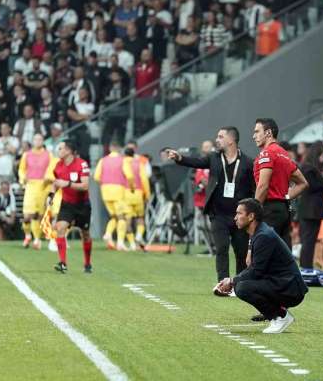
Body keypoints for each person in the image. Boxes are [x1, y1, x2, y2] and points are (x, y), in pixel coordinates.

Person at [168, 127, 255, 283]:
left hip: (240, 216)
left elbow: (253, 188)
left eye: (221, 136)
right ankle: (223, 282)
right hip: (218, 214)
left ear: (231, 140)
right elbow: (196, 162)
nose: (217, 139)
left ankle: (241, 284)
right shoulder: (214, 158)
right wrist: (179, 158)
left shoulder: (248, 163)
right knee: (221, 249)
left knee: (241, 251)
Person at [216, 198, 308, 334]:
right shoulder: (259, 232)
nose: (235, 218)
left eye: (239, 213)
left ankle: (280, 316)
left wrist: (232, 281)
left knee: (242, 288)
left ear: (251, 216)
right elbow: (256, 270)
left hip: (291, 288)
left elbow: (256, 271)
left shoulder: (264, 236)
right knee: (242, 284)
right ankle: (277, 314)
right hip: (282, 283)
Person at [252, 118, 308, 247]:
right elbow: (303, 183)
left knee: (262, 253)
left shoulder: (267, 153)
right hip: (283, 210)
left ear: (268, 133)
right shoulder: (284, 154)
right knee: (282, 254)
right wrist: (285, 197)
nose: (254, 136)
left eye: (257, 131)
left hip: (268, 209)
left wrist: (253, 210)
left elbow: (262, 186)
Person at [47, 140, 92, 274]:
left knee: (85, 234)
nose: (58, 151)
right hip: (67, 204)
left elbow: (85, 186)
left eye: (60, 148)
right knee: (60, 228)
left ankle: (88, 263)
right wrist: (50, 197)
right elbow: (55, 183)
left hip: (82, 205)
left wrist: (66, 184)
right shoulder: (58, 166)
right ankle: (63, 263)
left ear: (68, 151)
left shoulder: (82, 164)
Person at [18, 133, 57, 250]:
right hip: (30, 185)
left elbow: (52, 169)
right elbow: (21, 169)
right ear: (33, 141)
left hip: (43, 186)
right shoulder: (26, 155)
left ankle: (36, 239)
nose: (37, 141)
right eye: (35, 139)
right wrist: (23, 178)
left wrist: (49, 179)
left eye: (40, 139)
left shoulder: (48, 155)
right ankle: (27, 234)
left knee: (39, 215)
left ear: (43, 141)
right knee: (27, 215)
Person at [297, 142, 323, 269]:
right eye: (322, 156)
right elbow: (312, 187)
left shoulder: (307, 168)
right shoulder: (308, 169)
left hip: (309, 209)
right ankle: (306, 267)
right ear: (316, 155)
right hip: (311, 210)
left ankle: (306, 265)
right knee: (308, 240)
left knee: (309, 240)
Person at [94, 141, 130, 251]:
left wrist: (104, 183)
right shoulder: (122, 160)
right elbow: (130, 175)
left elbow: (96, 177)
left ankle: (108, 234)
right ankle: (120, 242)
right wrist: (132, 187)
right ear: (119, 148)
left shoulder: (103, 160)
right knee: (122, 217)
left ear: (109, 148)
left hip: (105, 192)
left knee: (114, 216)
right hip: (118, 191)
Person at [122, 145, 151, 249]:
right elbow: (144, 180)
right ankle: (139, 235)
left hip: (127, 192)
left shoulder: (124, 162)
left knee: (127, 219)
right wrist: (147, 194)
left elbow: (126, 176)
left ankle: (132, 244)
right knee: (140, 217)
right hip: (138, 193)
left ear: (125, 154)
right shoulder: (139, 163)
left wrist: (131, 186)